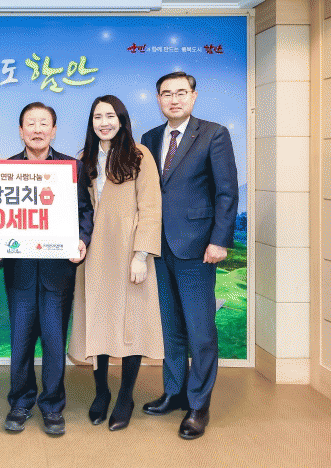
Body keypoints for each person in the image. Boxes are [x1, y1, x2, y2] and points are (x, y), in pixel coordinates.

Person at [140, 72, 238, 439]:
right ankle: (174, 392)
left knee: (200, 330)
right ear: (158, 99)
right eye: (166, 94)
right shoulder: (150, 138)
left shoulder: (213, 134)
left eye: (181, 93)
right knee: (171, 328)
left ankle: (198, 404)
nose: (174, 99)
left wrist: (219, 240)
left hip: (198, 248)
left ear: (193, 96)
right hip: (160, 246)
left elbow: (226, 192)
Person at [0, 102, 93, 436]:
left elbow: (85, 211)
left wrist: (82, 239)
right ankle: (20, 403)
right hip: (19, 272)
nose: (37, 129)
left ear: (54, 130)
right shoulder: (6, 169)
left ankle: (52, 406)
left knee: (53, 341)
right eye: (30, 123)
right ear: (21, 131)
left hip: (57, 273)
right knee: (20, 342)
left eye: (43, 123)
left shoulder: (71, 168)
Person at [67, 95, 163, 431]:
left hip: (129, 253)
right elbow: (78, 209)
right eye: (98, 116)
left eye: (110, 116)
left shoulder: (139, 155)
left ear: (121, 120)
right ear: (91, 122)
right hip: (93, 253)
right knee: (98, 319)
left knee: (131, 320)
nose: (104, 122)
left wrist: (141, 255)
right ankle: (102, 392)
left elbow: (150, 207)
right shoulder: (83, 159)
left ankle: (125, 396)